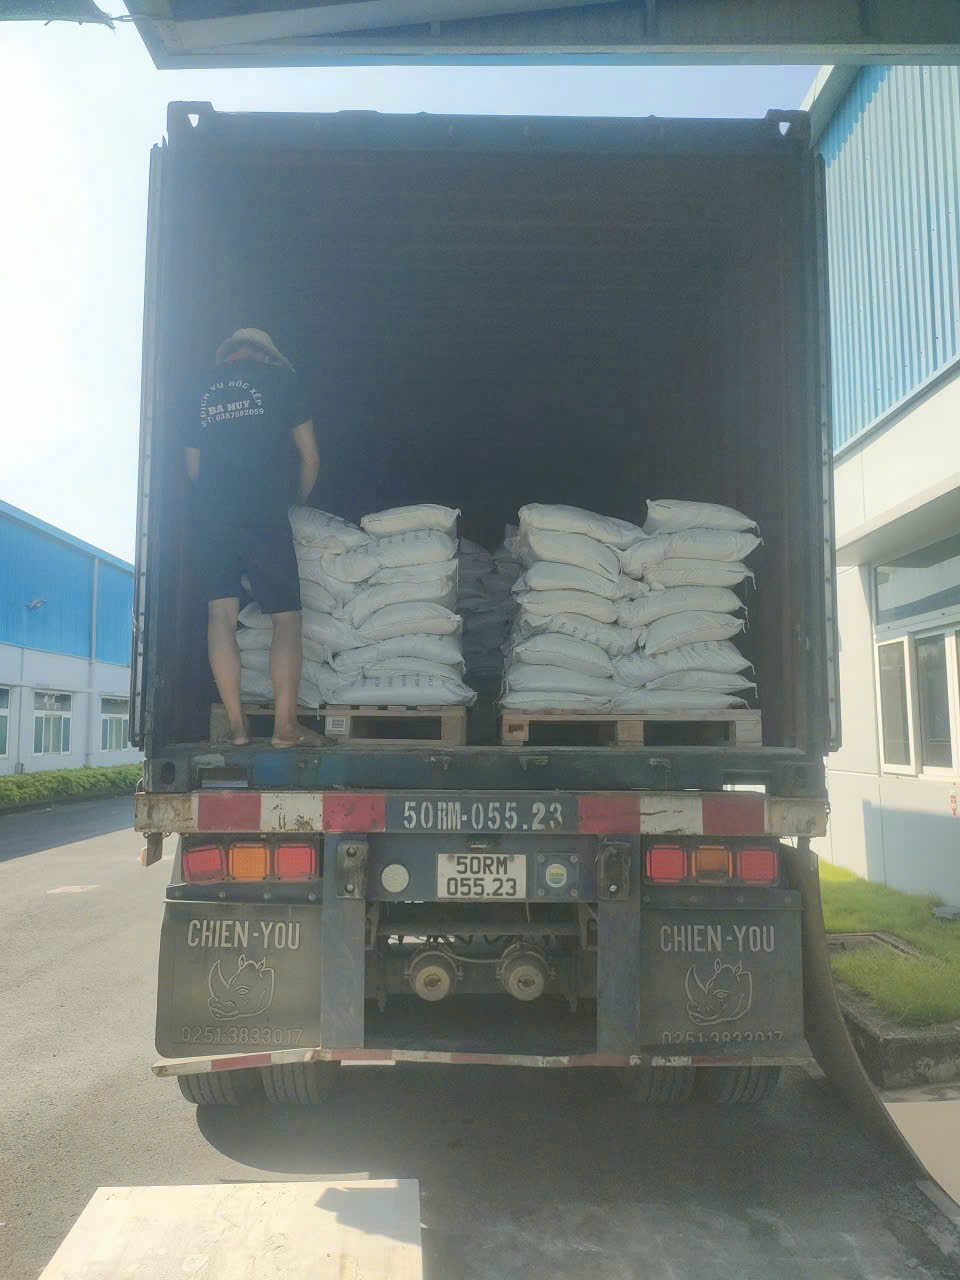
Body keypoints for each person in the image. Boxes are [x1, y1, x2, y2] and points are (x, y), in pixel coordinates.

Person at [187, 328, 322, 747]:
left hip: (212, 513)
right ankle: (285, 728)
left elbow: (192, 468)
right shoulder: (282, 380)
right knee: (286, 617)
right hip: (263, 508)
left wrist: (215, 503)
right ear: (267, 355)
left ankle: (238, 728)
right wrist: (295, 501)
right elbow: (310, 456)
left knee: (220, 615)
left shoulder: (199, 388)